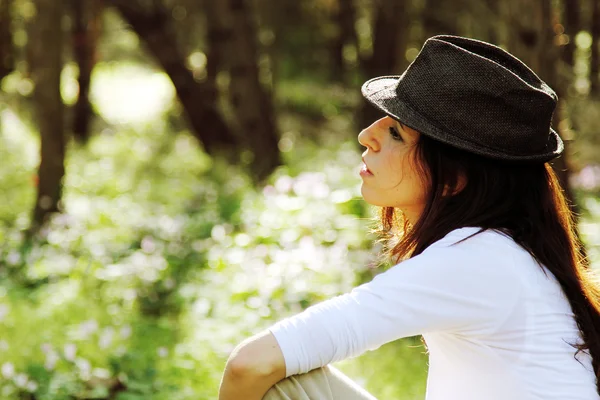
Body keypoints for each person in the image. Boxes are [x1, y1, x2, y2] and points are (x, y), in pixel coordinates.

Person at [218, 35, 600, 400]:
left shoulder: (476, 260)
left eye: (397, 133)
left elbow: (248, 365)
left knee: (277, 380)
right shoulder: (504, 255)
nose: (367, 135)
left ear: (454, 179)